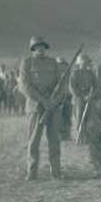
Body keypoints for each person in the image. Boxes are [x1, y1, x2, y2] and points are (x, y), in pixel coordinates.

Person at [18, 36, 64, 181]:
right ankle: (32, 172)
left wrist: (54, 101)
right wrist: (43, 100)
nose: (40, 49)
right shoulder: (27, 63)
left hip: (53, 108)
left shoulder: (53, 63)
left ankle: (56, 172)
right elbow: (24, 86)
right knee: (33, 141)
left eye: (43, 46)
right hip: (36, 108)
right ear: (32, 48)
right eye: (37, 46)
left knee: (54, 141)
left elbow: (62, 85)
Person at [69, 54, 97, 143]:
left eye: (87, 62)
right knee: (79, 118)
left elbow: (96, 86)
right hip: (78, 99)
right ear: (79, 63)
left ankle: (89, 138)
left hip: (89, 97)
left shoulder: (91, 73)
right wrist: (81, 96)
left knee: (90, 118)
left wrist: (92, 95)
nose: (85, 64)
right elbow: (72, 87)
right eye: (83, 62)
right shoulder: (75, 73)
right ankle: (80, 137)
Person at [54, 56, 72, 140]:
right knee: (59, 116)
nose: (63, 68)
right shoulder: (55, 74)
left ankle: (66, 134)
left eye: (64, 66)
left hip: (67, 95)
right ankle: (61, 135)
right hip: (59, 96)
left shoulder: (68, 73)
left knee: (67, 115)